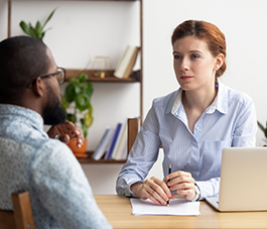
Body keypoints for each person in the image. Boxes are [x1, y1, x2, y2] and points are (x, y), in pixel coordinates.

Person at [116, 20, 257, 205]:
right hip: (173, 215)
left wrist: (198, 189)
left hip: (222, 215)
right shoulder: (160, 109)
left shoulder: (241, 107)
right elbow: (128, 175)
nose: (183, 65)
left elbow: (243, 179)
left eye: (194, 56)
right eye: (177, 56)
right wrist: (138, 187)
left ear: (218, 61)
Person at [0, 36, 112, 229]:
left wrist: (45, 138)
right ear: (39, 85)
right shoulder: (48, 156)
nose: (59, 84)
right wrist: (46, 149)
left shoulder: (36, 149)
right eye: (55, 75)